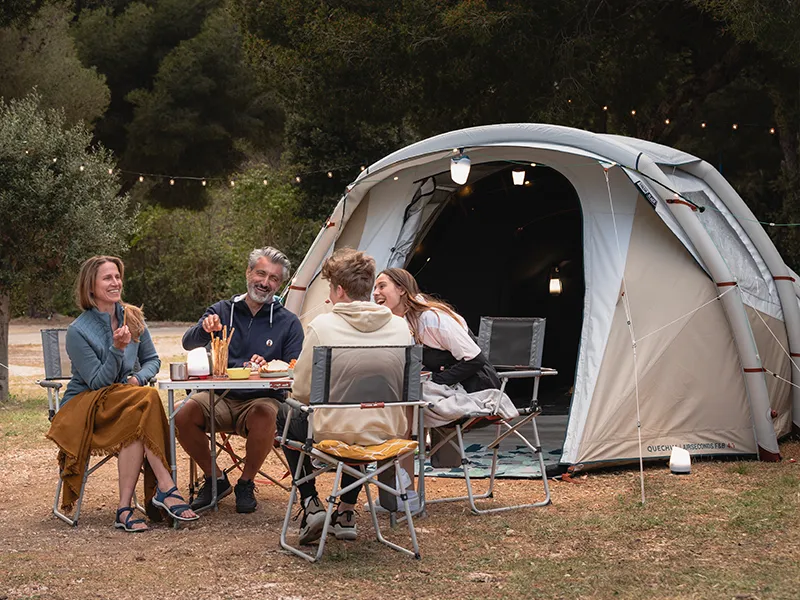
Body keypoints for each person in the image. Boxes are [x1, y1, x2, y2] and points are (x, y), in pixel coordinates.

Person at [46, 256, 199, 532]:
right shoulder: (78, 331)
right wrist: (117, 349)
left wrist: (137, 378)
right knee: (149, 399)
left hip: (126, 403)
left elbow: (153, 359)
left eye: (117, 276)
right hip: (87, 408)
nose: (115, 282)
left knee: (138, 419)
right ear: (90, 287)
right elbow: (96, 382)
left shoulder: (133, 317)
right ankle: (166, 487)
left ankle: (124, 510)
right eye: (107, 278)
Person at [278, 248, 414, 544]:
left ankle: (311, 502)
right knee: (362, 419)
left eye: (330, 288)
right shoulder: (401, 326)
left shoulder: (322, 327)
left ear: (339, 290)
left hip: (334, 434)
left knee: (287, 413)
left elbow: (301, 392)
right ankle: (347, 511)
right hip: (387, 433)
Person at [177, 247, 303, 513]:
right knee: (182, 414)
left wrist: (269, 367)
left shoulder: (288, 322)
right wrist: (204, 328)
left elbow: (295, 370)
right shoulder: (222, 311)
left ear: (280, 285)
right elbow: (188, 343)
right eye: (261, 273)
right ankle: (215, 479)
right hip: (219, 397)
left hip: (261, 399)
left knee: (265, 413)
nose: (265, 283)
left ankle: (246, 482)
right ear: (248, 272)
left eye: (273, 279)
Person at [372, 268, 504, 502]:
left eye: (382, 286)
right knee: (399, 397)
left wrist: (436, 380)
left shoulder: (431, 318)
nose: (376, 292)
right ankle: (400, 488)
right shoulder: (398, 323)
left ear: (402, 289)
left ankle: (405, 492)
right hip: (439, 388)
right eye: (374, 287)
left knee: (407, 402)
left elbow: (475, 359)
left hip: (476, 386)